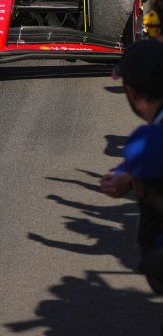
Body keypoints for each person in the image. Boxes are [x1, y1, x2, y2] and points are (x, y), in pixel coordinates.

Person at [100, 39, 163, 305]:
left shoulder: (144, 144)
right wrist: (128, 172)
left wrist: (132, 175)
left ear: (133, 94)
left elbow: (147, 150)